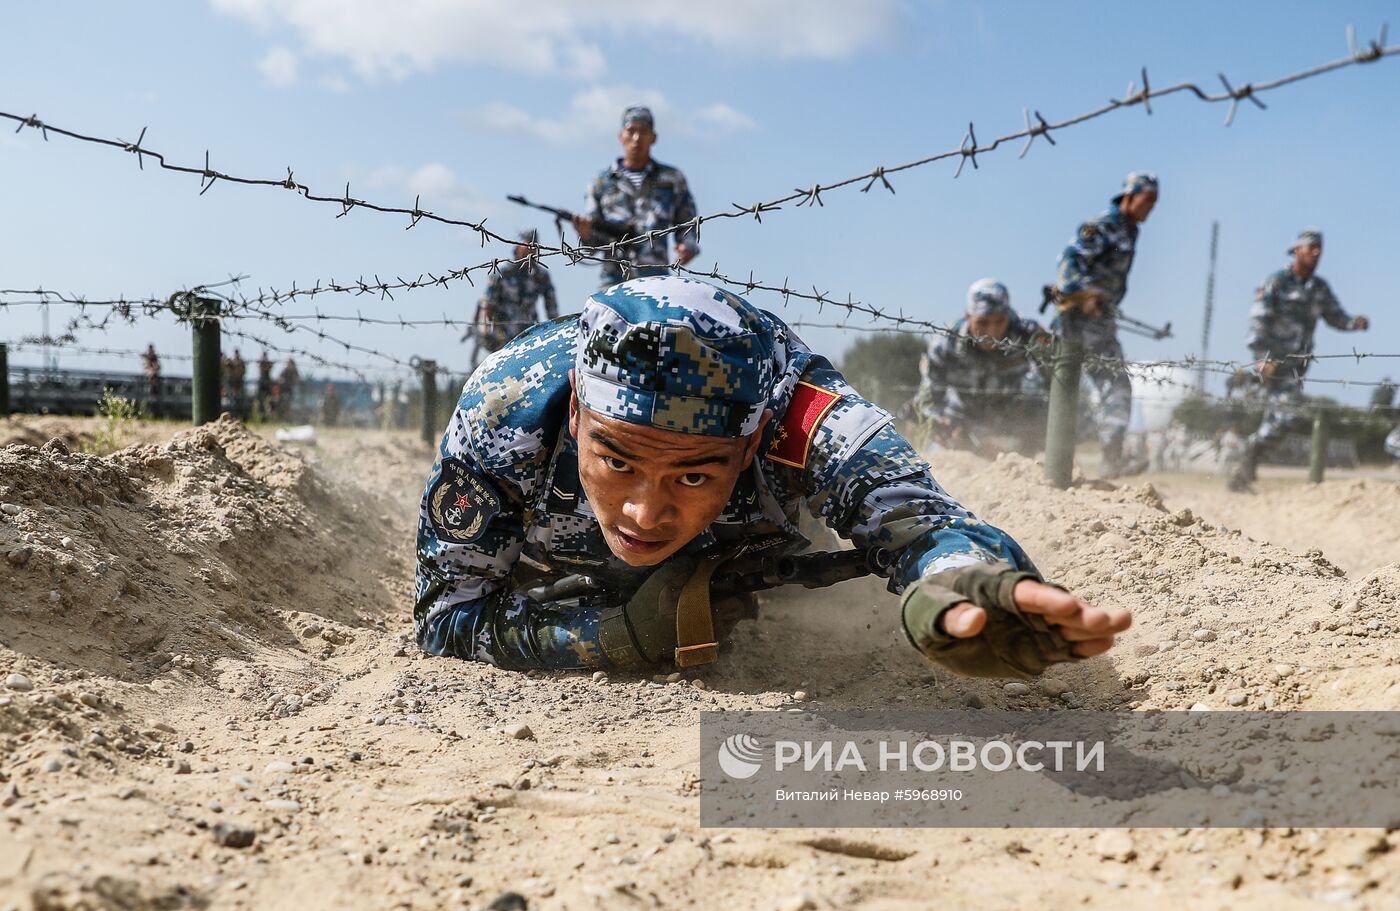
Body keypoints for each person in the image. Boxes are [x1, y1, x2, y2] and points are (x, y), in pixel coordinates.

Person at [414, 276, 1130, 677]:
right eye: (617, 460)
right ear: (576, 415)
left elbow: (923, 522)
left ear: (753, 438)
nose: (642, 510)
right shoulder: (506, 409)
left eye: (692, 475)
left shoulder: (800, 412)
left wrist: (956, 579)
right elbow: (447, 618)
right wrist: (613, 635)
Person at [1228, 230, 1370, 490]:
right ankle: (1246, 457)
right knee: (1287, 412)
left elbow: (1335, 316)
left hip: (1296, 367)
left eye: (1319, 248)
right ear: (1296, 250)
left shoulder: (1319, 288)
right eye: (1311, 247)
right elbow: (1258, 320)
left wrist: (1354, 323)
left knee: (1283, 417)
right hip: (1272, 363)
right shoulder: (1277, 282)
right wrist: (1262, 359)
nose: (1317, 253)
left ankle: (1246, 459)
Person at [1053, 171, 1159, 478]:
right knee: (1068, 388)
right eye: (1147, 200)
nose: (1150, 207)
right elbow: (1069, 262)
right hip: (1077, 321)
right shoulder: (1101, 226)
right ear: (1129, 196)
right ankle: (1053, 460)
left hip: (1102, 321)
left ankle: (1110, 460)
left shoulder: (1130, 230)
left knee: (1113, 386)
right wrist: (1083, 295)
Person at [913, 279, 1050, 455]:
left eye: (999, 321)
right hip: (961, 425)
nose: (992, 332)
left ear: (1008, 316)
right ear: (968, 316)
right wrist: (944, 427)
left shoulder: (1029, 334)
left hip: (1016, 424)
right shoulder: (946, 343)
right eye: (983, 323)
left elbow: (1058, 384)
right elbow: (927, 400)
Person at [571, 106, 700, 287]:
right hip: (613, 281)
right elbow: (593, 243)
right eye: (631, 131)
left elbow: (687, 221)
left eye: (643, 132)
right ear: (621, 136)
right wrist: (585, 235)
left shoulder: (671, 179)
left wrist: (687, 246)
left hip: (656, 280)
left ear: (653, 137)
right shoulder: (600, 183)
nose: (637, 138)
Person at [467, 230, 559, 366]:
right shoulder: (502, 272)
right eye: (527, 245)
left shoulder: (540, 275)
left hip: (530, 336)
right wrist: (485, 333)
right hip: (503, 338)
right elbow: (488, 304)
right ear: (517, 246)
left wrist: (554, 334)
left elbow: (551, 308)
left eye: (534, 246)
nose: (531, 250)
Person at [224, 348, 247, 418]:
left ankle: (239, 413)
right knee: (232, 399)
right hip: (233, 382)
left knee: (239, 399)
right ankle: (233, 414)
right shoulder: (232, 361)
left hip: (239, 382)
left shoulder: (241, 361)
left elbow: (243, 370)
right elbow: (227, 368)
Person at [255, 351, 275, 415]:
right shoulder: (261, 363)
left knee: (269, 398)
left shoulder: (267, 363)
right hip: (262, 382)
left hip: (267, 382)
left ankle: (270, 412)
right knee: (260, 399)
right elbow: (261, 366)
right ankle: (260, 412)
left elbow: (270, 367)